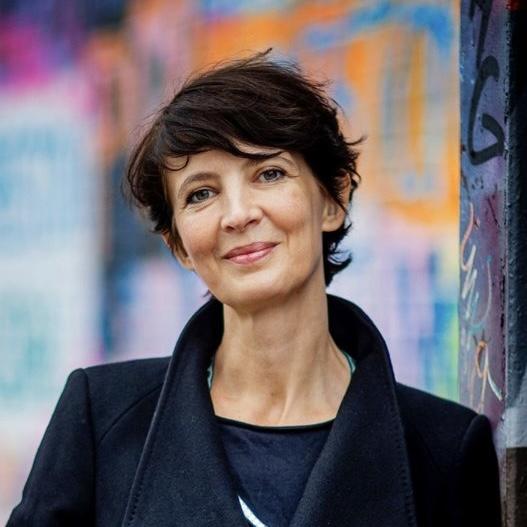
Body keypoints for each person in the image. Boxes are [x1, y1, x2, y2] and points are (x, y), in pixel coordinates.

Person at [8, 51, 501, 527]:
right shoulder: (101, 420)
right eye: (202, 193)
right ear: (178, 243)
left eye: (268, 173)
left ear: (332, 202)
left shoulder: (445, 449)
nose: (238, 214)